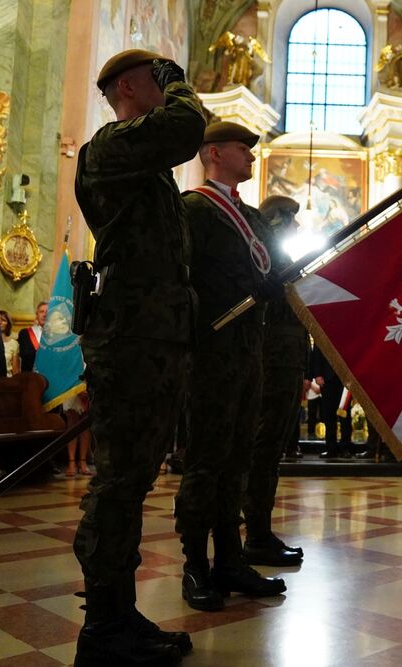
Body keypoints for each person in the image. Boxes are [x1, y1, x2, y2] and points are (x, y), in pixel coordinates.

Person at [72, 48, 205, 666]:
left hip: (155, 340)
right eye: (157, 81)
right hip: (129, 342)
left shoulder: (146, 171)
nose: (167, 90)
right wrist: (180, 84)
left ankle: (120, 614)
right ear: (129, 86)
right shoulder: (107, 149)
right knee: (118, 484)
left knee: (134, 482)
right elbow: (186, 128)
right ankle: (103, 627)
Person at [174, 121, 286, 613]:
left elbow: (271, 267)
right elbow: (181, 277)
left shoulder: (253, 217)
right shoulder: (194, 209)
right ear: (214, 153)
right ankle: (196, 563)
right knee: (207, 460)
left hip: (249, 351)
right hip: (212, 352)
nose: (251, 156)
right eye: (243, 149)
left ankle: (230, 559)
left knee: (238, 456)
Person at [242, 195, 309, 567]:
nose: (297, 228)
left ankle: (259, 529)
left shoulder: (281, 261)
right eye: (292, 221)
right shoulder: (268, 261)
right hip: (274, 361)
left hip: (288, 360)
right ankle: (256, 533)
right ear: (277, 223)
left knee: (271, 449)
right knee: (264, 448)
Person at [309, 344, 353, 458]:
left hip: (346, 378)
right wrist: (317, 374)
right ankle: (331, 448)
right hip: (326, 378)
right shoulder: (325, 326)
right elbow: (317, 352)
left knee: (345, 414)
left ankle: (345, 448)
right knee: (328, 415)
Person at [17, 301, 47, 372]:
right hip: (30, 376)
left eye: (47, 312)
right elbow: (25, 354)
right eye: (41, 312)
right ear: (37, 315)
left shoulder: (58, 335)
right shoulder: (25, 333)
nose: (45, 314)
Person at [0, 309, 20, 376]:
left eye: (3, 320)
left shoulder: (14, 344)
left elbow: (16, 371)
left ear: (8, 324)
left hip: (7, 380)